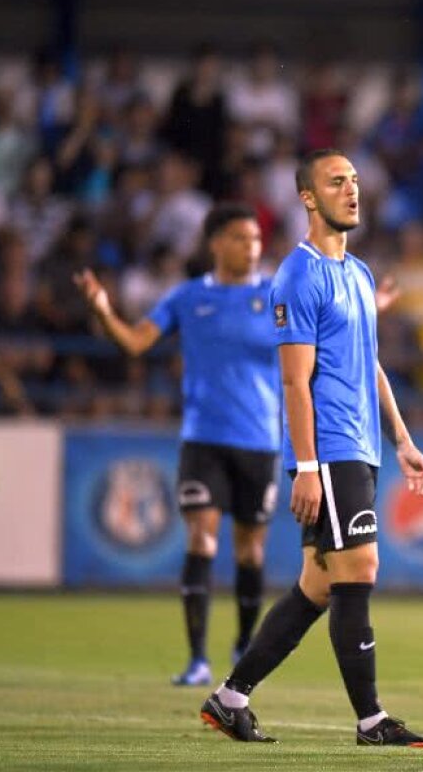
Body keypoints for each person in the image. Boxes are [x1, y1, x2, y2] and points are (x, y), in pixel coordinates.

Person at [199, 149, 423, 747]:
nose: (352, 190)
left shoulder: (357, 273)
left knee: (318, 585)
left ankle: (230, 698)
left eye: (355, 180)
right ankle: (372, 720)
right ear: (308, 198)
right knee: (361, 569)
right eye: (337, 182)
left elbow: (370, 365)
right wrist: (307, 466)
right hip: (329, 448)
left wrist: (403, 440)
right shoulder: (298, 275)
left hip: (361, 446)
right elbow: (293, 381)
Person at [74, 203, 280, 686]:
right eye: (239, 238)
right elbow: (135, 343)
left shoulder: (276, 297)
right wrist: (104, 311)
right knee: (201, 538)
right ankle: (197, 659)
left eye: (254, 239)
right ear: (215, 243)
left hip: (261, 440)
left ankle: (243, 644)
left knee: (250, 551)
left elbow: (320, 337)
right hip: (203, 439)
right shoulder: (187, 298)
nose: (250, 247)